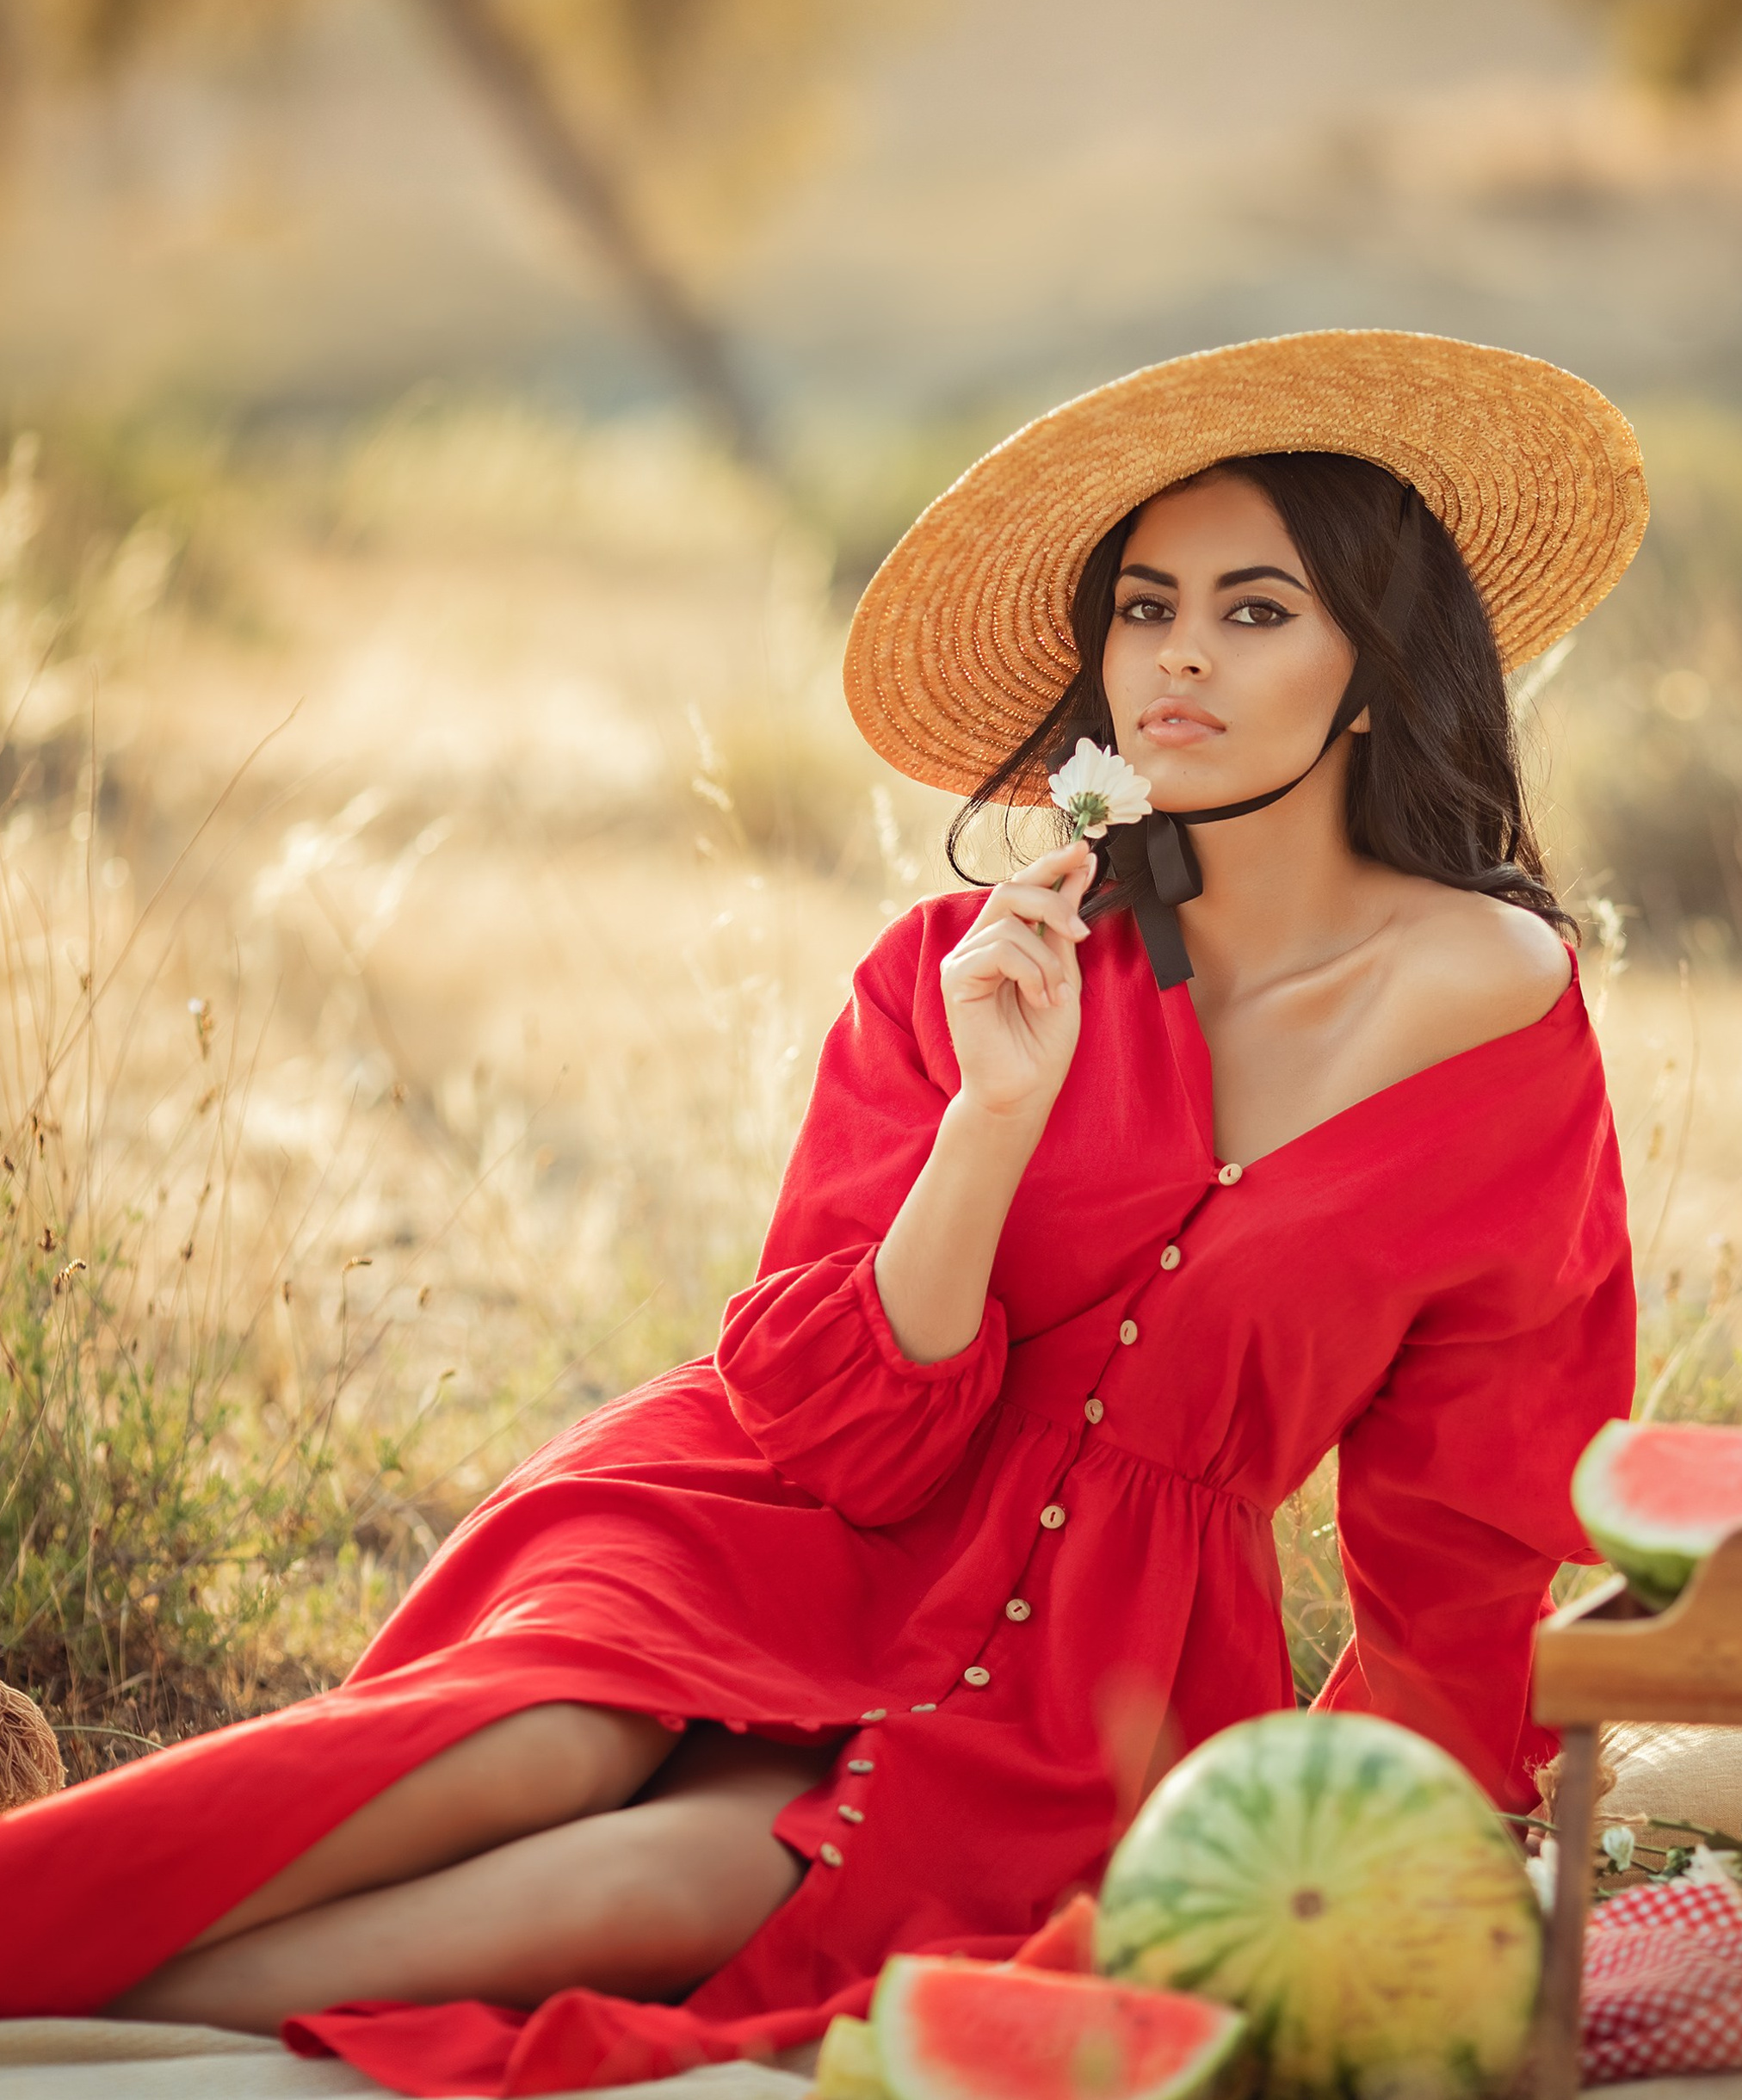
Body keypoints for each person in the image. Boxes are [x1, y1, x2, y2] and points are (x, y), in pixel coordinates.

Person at [0, 330, 1648, 2095]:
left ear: (1375, 670)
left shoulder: (1491, 1000)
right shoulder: (956, 969)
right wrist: (994, 1115)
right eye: (1144, 606)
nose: (1176, 656)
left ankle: (80, 1971)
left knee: (666, 1875)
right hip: (777, 1516)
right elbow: (833, 1419)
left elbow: (1476, 1506)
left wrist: (1379, 1844)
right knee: (541, 1747)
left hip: (1099, 1669)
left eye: (1255, 611)